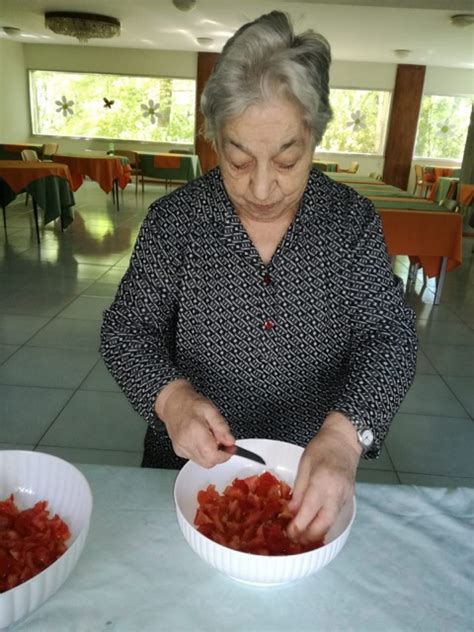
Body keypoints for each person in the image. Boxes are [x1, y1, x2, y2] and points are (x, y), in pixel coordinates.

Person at [101, 11, 417, 544]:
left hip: (304, 472)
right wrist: (172, 399)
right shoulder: (176, 221)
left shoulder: (349, 223)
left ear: (314, 137)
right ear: (214, 138)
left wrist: (344, 437)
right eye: (239, 158)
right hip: (189, 472)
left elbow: (390, 337)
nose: (263, 188)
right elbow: (126, 331)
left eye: (287, 160)